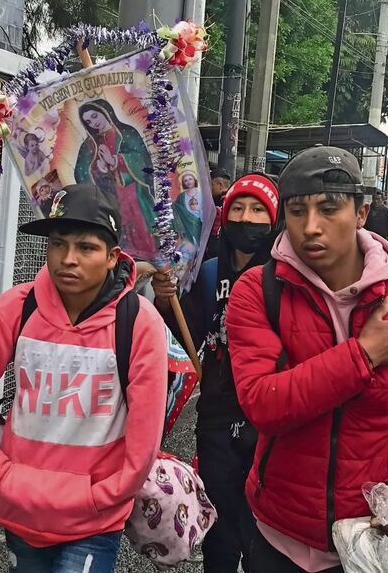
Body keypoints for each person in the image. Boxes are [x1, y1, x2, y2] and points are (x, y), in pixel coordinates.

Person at [224, 146, 388, 573]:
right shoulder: (258, 291)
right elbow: (262, 404)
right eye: (296, 212)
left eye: (329, 209)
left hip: (370, 538)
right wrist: (365, 354)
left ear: (360, 213)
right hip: (277, 535)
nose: (311, 228)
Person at [0, 184, 168, 573]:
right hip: (22, 514)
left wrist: (102, 495)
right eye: (57, 244)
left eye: (86, 247)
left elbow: (143, 445)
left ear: (111, 258)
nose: (68, 259)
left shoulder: (138, 324)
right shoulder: (18, 307)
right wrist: (0, 475)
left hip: (94, 520)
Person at [152, 174, 280, 573]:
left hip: (271, 415)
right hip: (217, 413)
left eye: (258, 210)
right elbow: (179, 334)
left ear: (274, 219)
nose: (247, 218)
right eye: (238, 208)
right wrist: (163, 298)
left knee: (263, 531)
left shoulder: (285, 275)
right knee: (221, 531)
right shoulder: (207, 273)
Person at [74, 99, 157, 260]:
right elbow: (81, 172)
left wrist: (116, 161)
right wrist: (98, 169)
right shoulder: (89, 145)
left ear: (106, 112)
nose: (93, 123)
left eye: (95, 116)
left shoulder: (127, 133)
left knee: (138, 225)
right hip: (109, 196)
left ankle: (144, 257)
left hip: (132, 192)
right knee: (116, 229)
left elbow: (142, 160)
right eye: (88, 121)